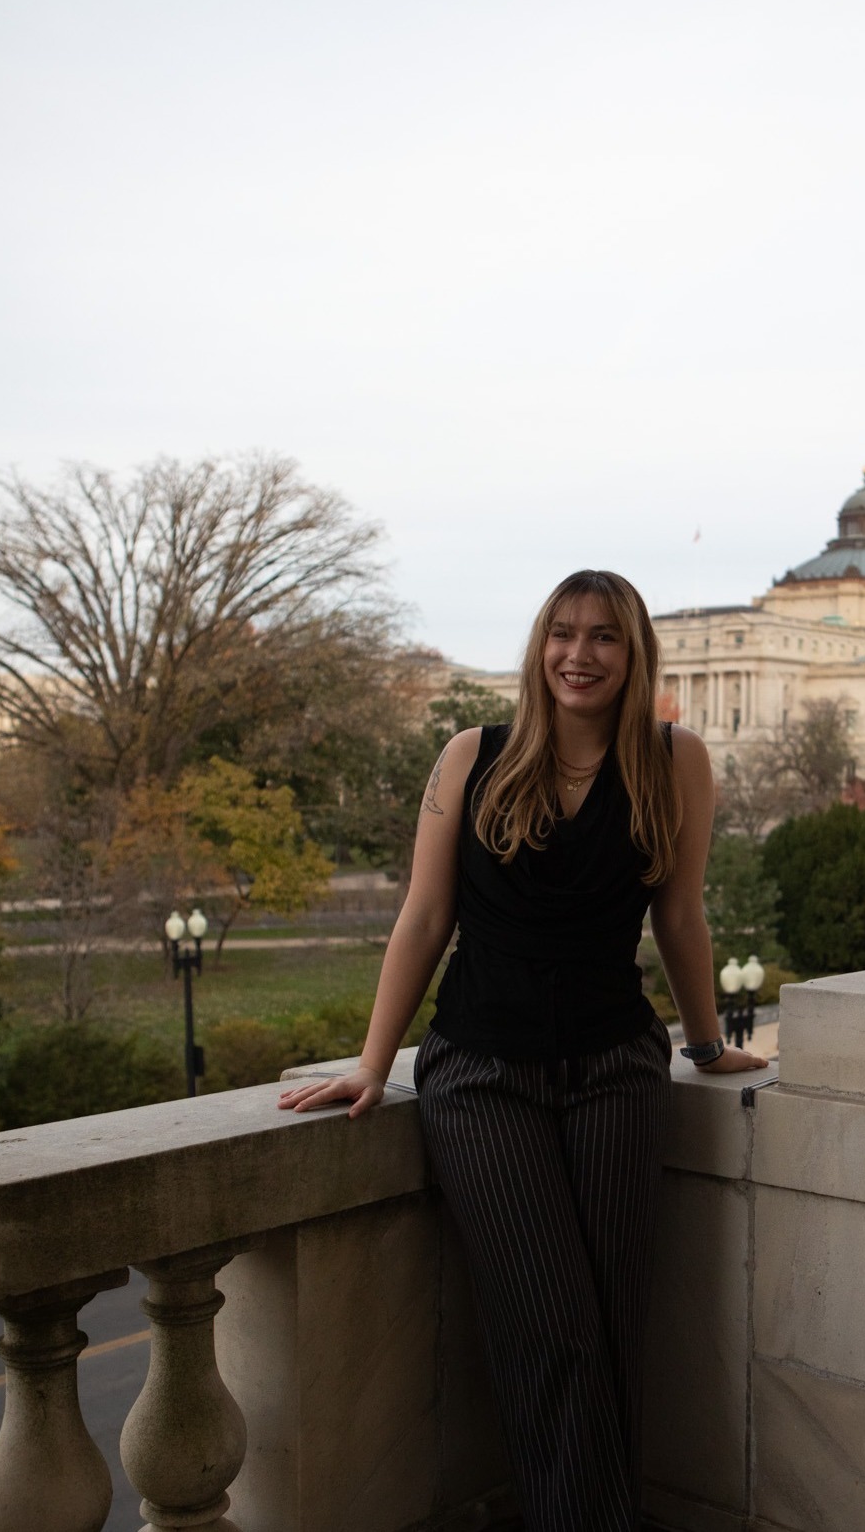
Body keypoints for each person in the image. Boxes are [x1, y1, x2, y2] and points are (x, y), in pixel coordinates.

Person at [279, 569, 769, 1531]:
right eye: (562, 633)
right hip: (481, 1073)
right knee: (556, 1329)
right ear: (538, 647)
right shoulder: (472, 757)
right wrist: (377, 1064)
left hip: (616, 1071)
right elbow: (423, 918)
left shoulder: (677, 760)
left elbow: (679, 914)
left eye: (603, 637)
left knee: (611, 1327)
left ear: (634, 655)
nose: (578, 655)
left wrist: (706, 1043)